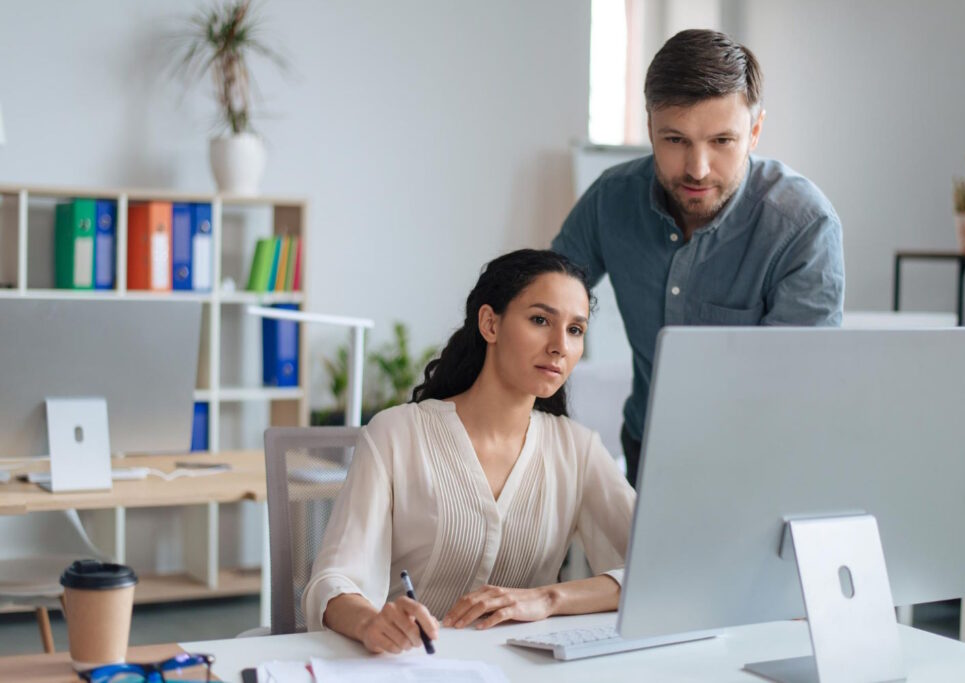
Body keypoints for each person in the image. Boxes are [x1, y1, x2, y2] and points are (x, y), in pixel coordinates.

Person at [303, 249, 635, 654]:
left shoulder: (578, 449)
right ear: (490, 323)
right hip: (406, 667)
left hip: (520, 669)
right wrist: (372, 623)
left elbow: (662, 569)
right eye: (540, 320)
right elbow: (333, 581)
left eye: (576, 330)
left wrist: (549, 599)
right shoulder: (396, 433)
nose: (559, 346)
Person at [552, 29, 845, 486]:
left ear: (755, 130)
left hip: (759, 466)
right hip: (645, 450)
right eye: (675, 140)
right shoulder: (611, 199)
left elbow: (795, 389)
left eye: (722, 141)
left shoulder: (804, 226)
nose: (697, 168)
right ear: (649, 127)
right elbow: (541, 300)